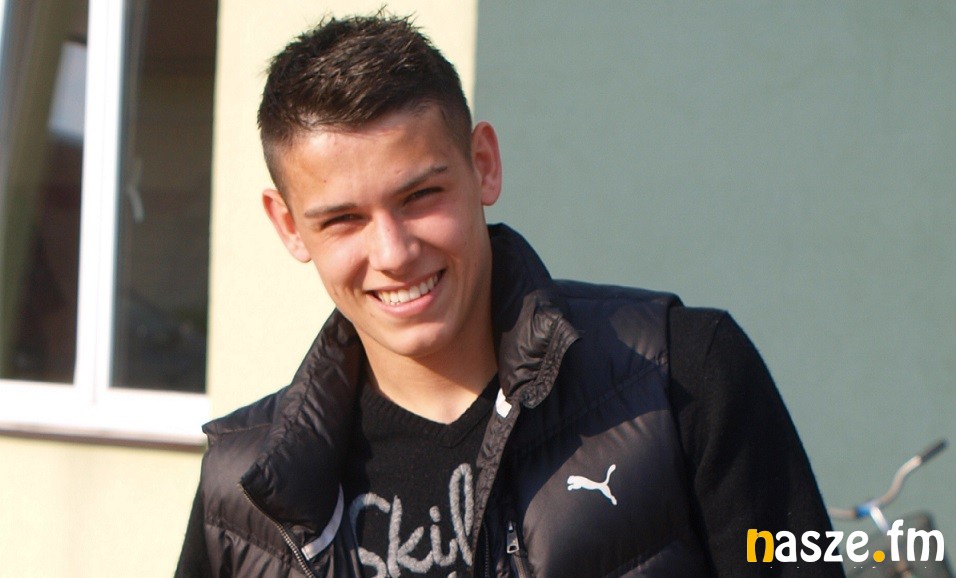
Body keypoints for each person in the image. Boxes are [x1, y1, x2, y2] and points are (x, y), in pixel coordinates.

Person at [176, 13, 844, 578]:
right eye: (343, 219)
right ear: (289, 226)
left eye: (421, 196)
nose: (394, 252)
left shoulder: (685, 376)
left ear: (484, 166)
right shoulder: (242, 493)